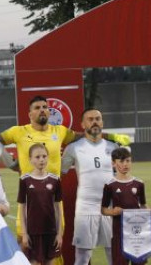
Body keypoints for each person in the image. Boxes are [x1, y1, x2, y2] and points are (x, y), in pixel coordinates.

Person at [0, 95, 130, 245]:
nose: (42, 110)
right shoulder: (18, 131)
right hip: (29, 196)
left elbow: (84, 135)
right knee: (24, 242)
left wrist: (111, 136)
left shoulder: (60, 131)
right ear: (30, 114)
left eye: (45, 107)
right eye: (37, 108)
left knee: (54, 243)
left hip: (53, 196)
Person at [61, 109, 120, 265]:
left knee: (113, 252)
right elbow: (60, 171)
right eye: (90, 119)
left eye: (98, 118)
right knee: (82, 255)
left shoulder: (114, 147)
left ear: (102, 122)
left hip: (110, 206)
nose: (94, 122)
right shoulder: (73, 148)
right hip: (85, 207)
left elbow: (122, 177)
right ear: (82, 124)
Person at [18, 143, 63, 265]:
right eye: (37, 157)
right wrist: (24, 233)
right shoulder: (25, 180)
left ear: (48, 157)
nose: (41, 159)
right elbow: (22, 208)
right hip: (32, 233)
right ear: (30, 159)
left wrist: (59, 233)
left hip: (50, 232)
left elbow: (58, 208)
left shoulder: (55, 180)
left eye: (44, 156)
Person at [102, 147, 147, 265]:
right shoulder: (109, 185)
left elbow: (143, 206)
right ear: (113, 163)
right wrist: (113, 212)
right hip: (119, 234)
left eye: (128, 161)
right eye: (121, 161)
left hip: (137, 233)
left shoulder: (139, 183)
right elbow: (103, 209)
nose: (125, 164)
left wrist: (148, 213)